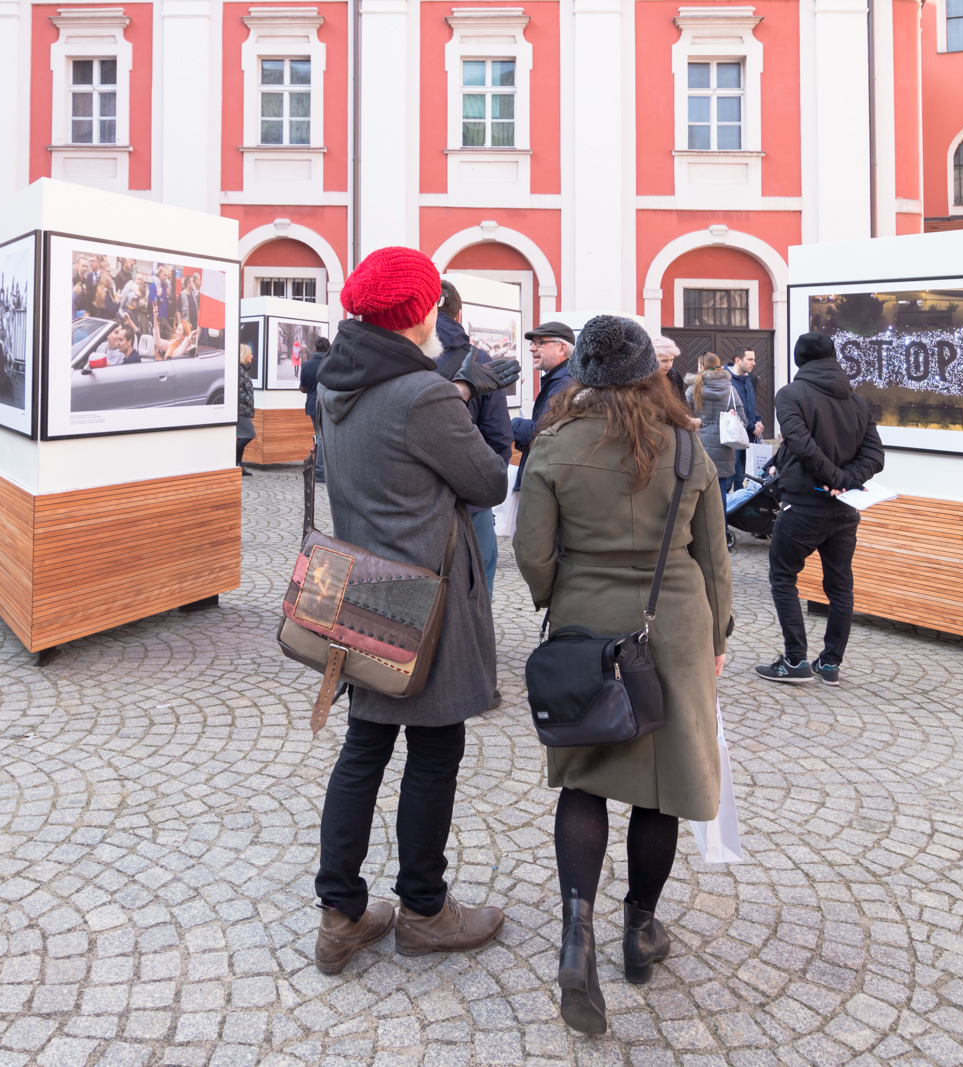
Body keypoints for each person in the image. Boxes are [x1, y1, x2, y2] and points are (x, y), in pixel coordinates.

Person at [513, 315, 731, 1035]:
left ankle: (577, 935)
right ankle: (640, 931)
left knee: (584, 775)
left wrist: (560, 597)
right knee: (658, 788)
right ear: (650, 372)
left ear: (582, 372)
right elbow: (714, 554)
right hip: (673, 625)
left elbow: (531, 550)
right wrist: (717, 635)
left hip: (586, 623)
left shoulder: (554, 444)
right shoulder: (686, 445)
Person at [311, 245, 517, 974]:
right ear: (420, 311)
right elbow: (488, 481)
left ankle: (340, 913)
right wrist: (467, 400)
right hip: (427, 598)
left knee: (364, 748)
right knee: (433, 752)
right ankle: (425, 910)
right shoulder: (422, 395)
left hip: (363, 588)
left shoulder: (336, 381)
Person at [756, 331, 885, 686]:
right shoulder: (857, 401)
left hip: (804, 505)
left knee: (783, 577)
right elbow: (874, 456)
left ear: (799, 360)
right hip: (844, 508)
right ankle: (830, 665)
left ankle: (796, 660)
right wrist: (845, 480)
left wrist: (837, 479)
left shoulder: (790, 394)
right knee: (840, 587)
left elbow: (801, 444)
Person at [434, 280, 513, 599]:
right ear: (459, 314)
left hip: (418, 502)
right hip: (471, 502)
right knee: (476, 589)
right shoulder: (480, 360)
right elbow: (499, 438)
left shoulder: (404, 357)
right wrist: (484, 491)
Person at [510, 321, 575, 490]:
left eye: (540, 342)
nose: (532, 348)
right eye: (532, 343)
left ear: (562, 348)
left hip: (548, 484)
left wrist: (513, 424)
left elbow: (543, 432)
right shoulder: (558, 379)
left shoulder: (565, 383)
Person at [684, 353, 738, 490]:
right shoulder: (731, 390)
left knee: (698, 490)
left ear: (701, 367)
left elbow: (684, 418)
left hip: (698, 445)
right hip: (724, 446)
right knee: (720, 490)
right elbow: (742, 420)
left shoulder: (693, 389)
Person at [724, 348, 765, 492]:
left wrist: (758, 420)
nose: (754, 363)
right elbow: (733, 410)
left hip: (747, 436)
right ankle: (722, 505)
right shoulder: (726, 380)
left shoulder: (748, 379)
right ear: (738, 360)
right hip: (733, 436)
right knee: (728, 478)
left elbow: (749, 406)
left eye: (754, 359)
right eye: (750, 359)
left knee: (741, 477)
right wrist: (752, 427)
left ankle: (739, 505)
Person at [299, 335, 329, 482]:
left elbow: (303, 388)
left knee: (320, 435)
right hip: (327, 404)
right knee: (323, 437)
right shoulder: (331, 364)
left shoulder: (306, 366)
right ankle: (318, 471)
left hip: (312, 404)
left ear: (315, 349)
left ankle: (318, 467)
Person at [235, 343, 256, 476]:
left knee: (242, 437)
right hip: (241, 410)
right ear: (244, 355)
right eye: (250, 353)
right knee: (249, 434)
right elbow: (236, 390)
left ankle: (238, 465)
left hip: (244, 410)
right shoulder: (238, 371)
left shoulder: (243, 370)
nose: (252, 356)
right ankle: (231, 458)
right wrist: (248, 398)